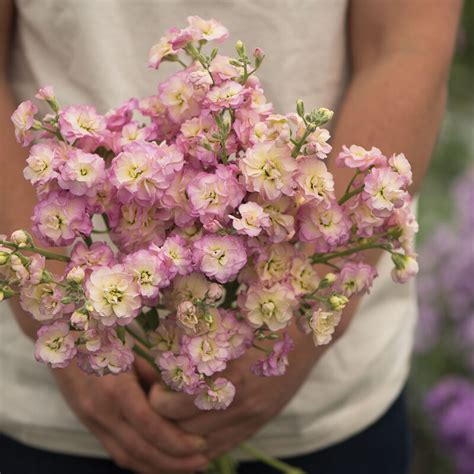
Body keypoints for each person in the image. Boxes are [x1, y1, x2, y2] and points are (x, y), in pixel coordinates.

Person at [0, 1, 462, 473]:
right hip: (58, 409)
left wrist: (310, 307)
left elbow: (407, 44)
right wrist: (62, 312)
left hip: (323, 400)